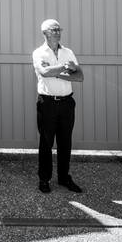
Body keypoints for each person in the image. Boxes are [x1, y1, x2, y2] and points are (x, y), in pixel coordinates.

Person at [32, 19, 84, 194]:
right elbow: (45, 72)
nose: (57, 32)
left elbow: (79, 77)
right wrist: (65, 67)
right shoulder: (39, 53)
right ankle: (44, 179)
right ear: (44, 33)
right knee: (46, 142)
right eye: (53, 30)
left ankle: (63, 178)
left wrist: (58, 73)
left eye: (58, 30)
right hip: (47, 103)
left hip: (66, 103)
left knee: (65, 142)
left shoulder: (68, 51)